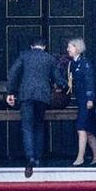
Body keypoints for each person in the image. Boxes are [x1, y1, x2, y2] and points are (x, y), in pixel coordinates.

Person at [7, 37, 65, 178]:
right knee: (39, 125)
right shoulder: (49, 58)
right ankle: (38, 158)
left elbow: (13, 73)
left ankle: (30, 157)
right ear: (44, 47)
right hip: (43, 96)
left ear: (32, 46)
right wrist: (65, 85)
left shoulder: (24, 55)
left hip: (26, 95)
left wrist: (10, 92)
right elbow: (58, 78)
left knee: (27, 126)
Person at [66, 38, 96, 166]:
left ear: (77, 48)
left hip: (87, 101)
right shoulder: (73, 64)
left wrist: (90, 99)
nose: (68, 49)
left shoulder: (84, 63)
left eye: (70, 47)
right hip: (81, 100)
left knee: (81, 128)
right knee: (88, 130)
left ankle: (80, 158)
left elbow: (89, 81)